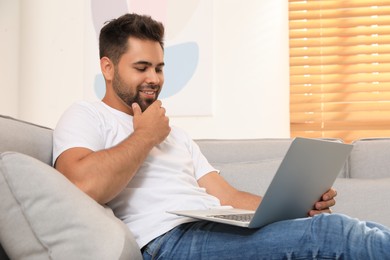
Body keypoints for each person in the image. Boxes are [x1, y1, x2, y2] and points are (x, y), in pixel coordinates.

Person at [53, 13, 390, 259]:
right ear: (108, 68)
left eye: (159, 67)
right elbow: (83, 185)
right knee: (338, 235)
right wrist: (144, 137)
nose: (154, 78)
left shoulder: (176, 134)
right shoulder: (86, 116)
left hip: (216, 228)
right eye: (141, 68)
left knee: (361, 230)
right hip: (167, 242)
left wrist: (296, 209)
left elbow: (226, 195)